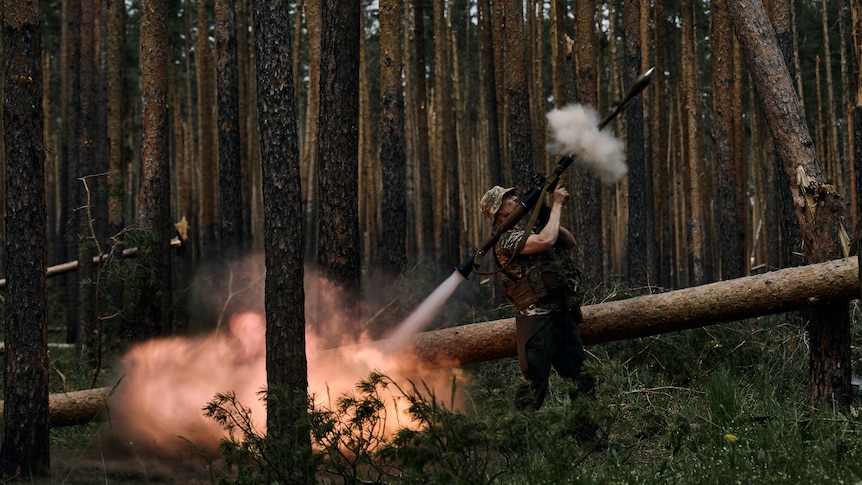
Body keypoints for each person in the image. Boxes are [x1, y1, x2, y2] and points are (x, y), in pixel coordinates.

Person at [479, 183, 595, 412]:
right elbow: (546, 241)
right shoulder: (506, 240)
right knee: (534, 388)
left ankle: (589, 440)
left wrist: (544, 210)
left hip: (561, 315)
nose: (515, 198)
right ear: (499, 211)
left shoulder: (529, 231)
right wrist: (558, 205)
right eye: (509, 197)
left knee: (582, 379)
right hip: (537, 323)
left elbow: (568, 242)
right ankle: (519, 443)